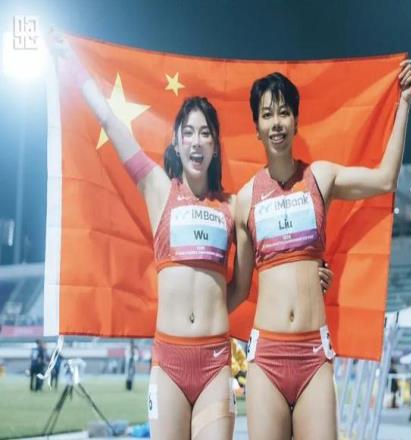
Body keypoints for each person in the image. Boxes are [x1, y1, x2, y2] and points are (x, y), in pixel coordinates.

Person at [49, 31, 333, 440]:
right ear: (177, 143)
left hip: (216, 362)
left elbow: (271, 249)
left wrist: (312, 270)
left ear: (215, 146)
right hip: (168, 363)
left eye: (205, 133)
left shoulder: (233, 205)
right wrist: (72, 64)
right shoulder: (157, 190)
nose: (197, 141)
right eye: (188, 132)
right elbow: (111, 122)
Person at [229, 63, 411, 439]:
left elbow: (385, 178)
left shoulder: (321, 177)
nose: (277, 123)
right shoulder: (245, 199)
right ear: (257, 127)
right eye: (267, 115)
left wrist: (405, 103)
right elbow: (238, 287)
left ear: (296, 121)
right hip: (266, 357)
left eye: (284, 112)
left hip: (313, 355)